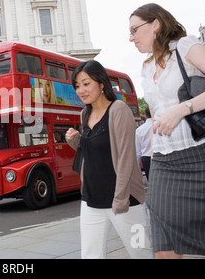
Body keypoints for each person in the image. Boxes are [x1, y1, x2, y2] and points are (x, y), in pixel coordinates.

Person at [129, 3, 205, 259]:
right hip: (164, 162)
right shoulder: (146, 68)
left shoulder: (187, 47)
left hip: (200, 155)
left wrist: (182, 109)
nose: (131, 37)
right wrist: (154, 155)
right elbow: (155, 115)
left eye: (135, 29)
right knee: (161, 236)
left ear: (155, 24)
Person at [65, 60, 153, 259]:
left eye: (86, 84)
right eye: (77, 86)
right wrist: (76, 140)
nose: (81, 90)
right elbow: (92, 151)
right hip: (91, 199)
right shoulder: (84, 114)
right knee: (91, 255)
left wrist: (120, 200)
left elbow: (125, 158)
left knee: (141, 252)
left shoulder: (119, 109)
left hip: (124, 200)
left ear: (102, 83)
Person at [135, 107, 152, 179]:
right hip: (160, 156)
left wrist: (138, 169)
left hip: (146, 159)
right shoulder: (159, 125)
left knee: (151, 182)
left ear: (145, 115)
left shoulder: (139, 130)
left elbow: (137, 152)